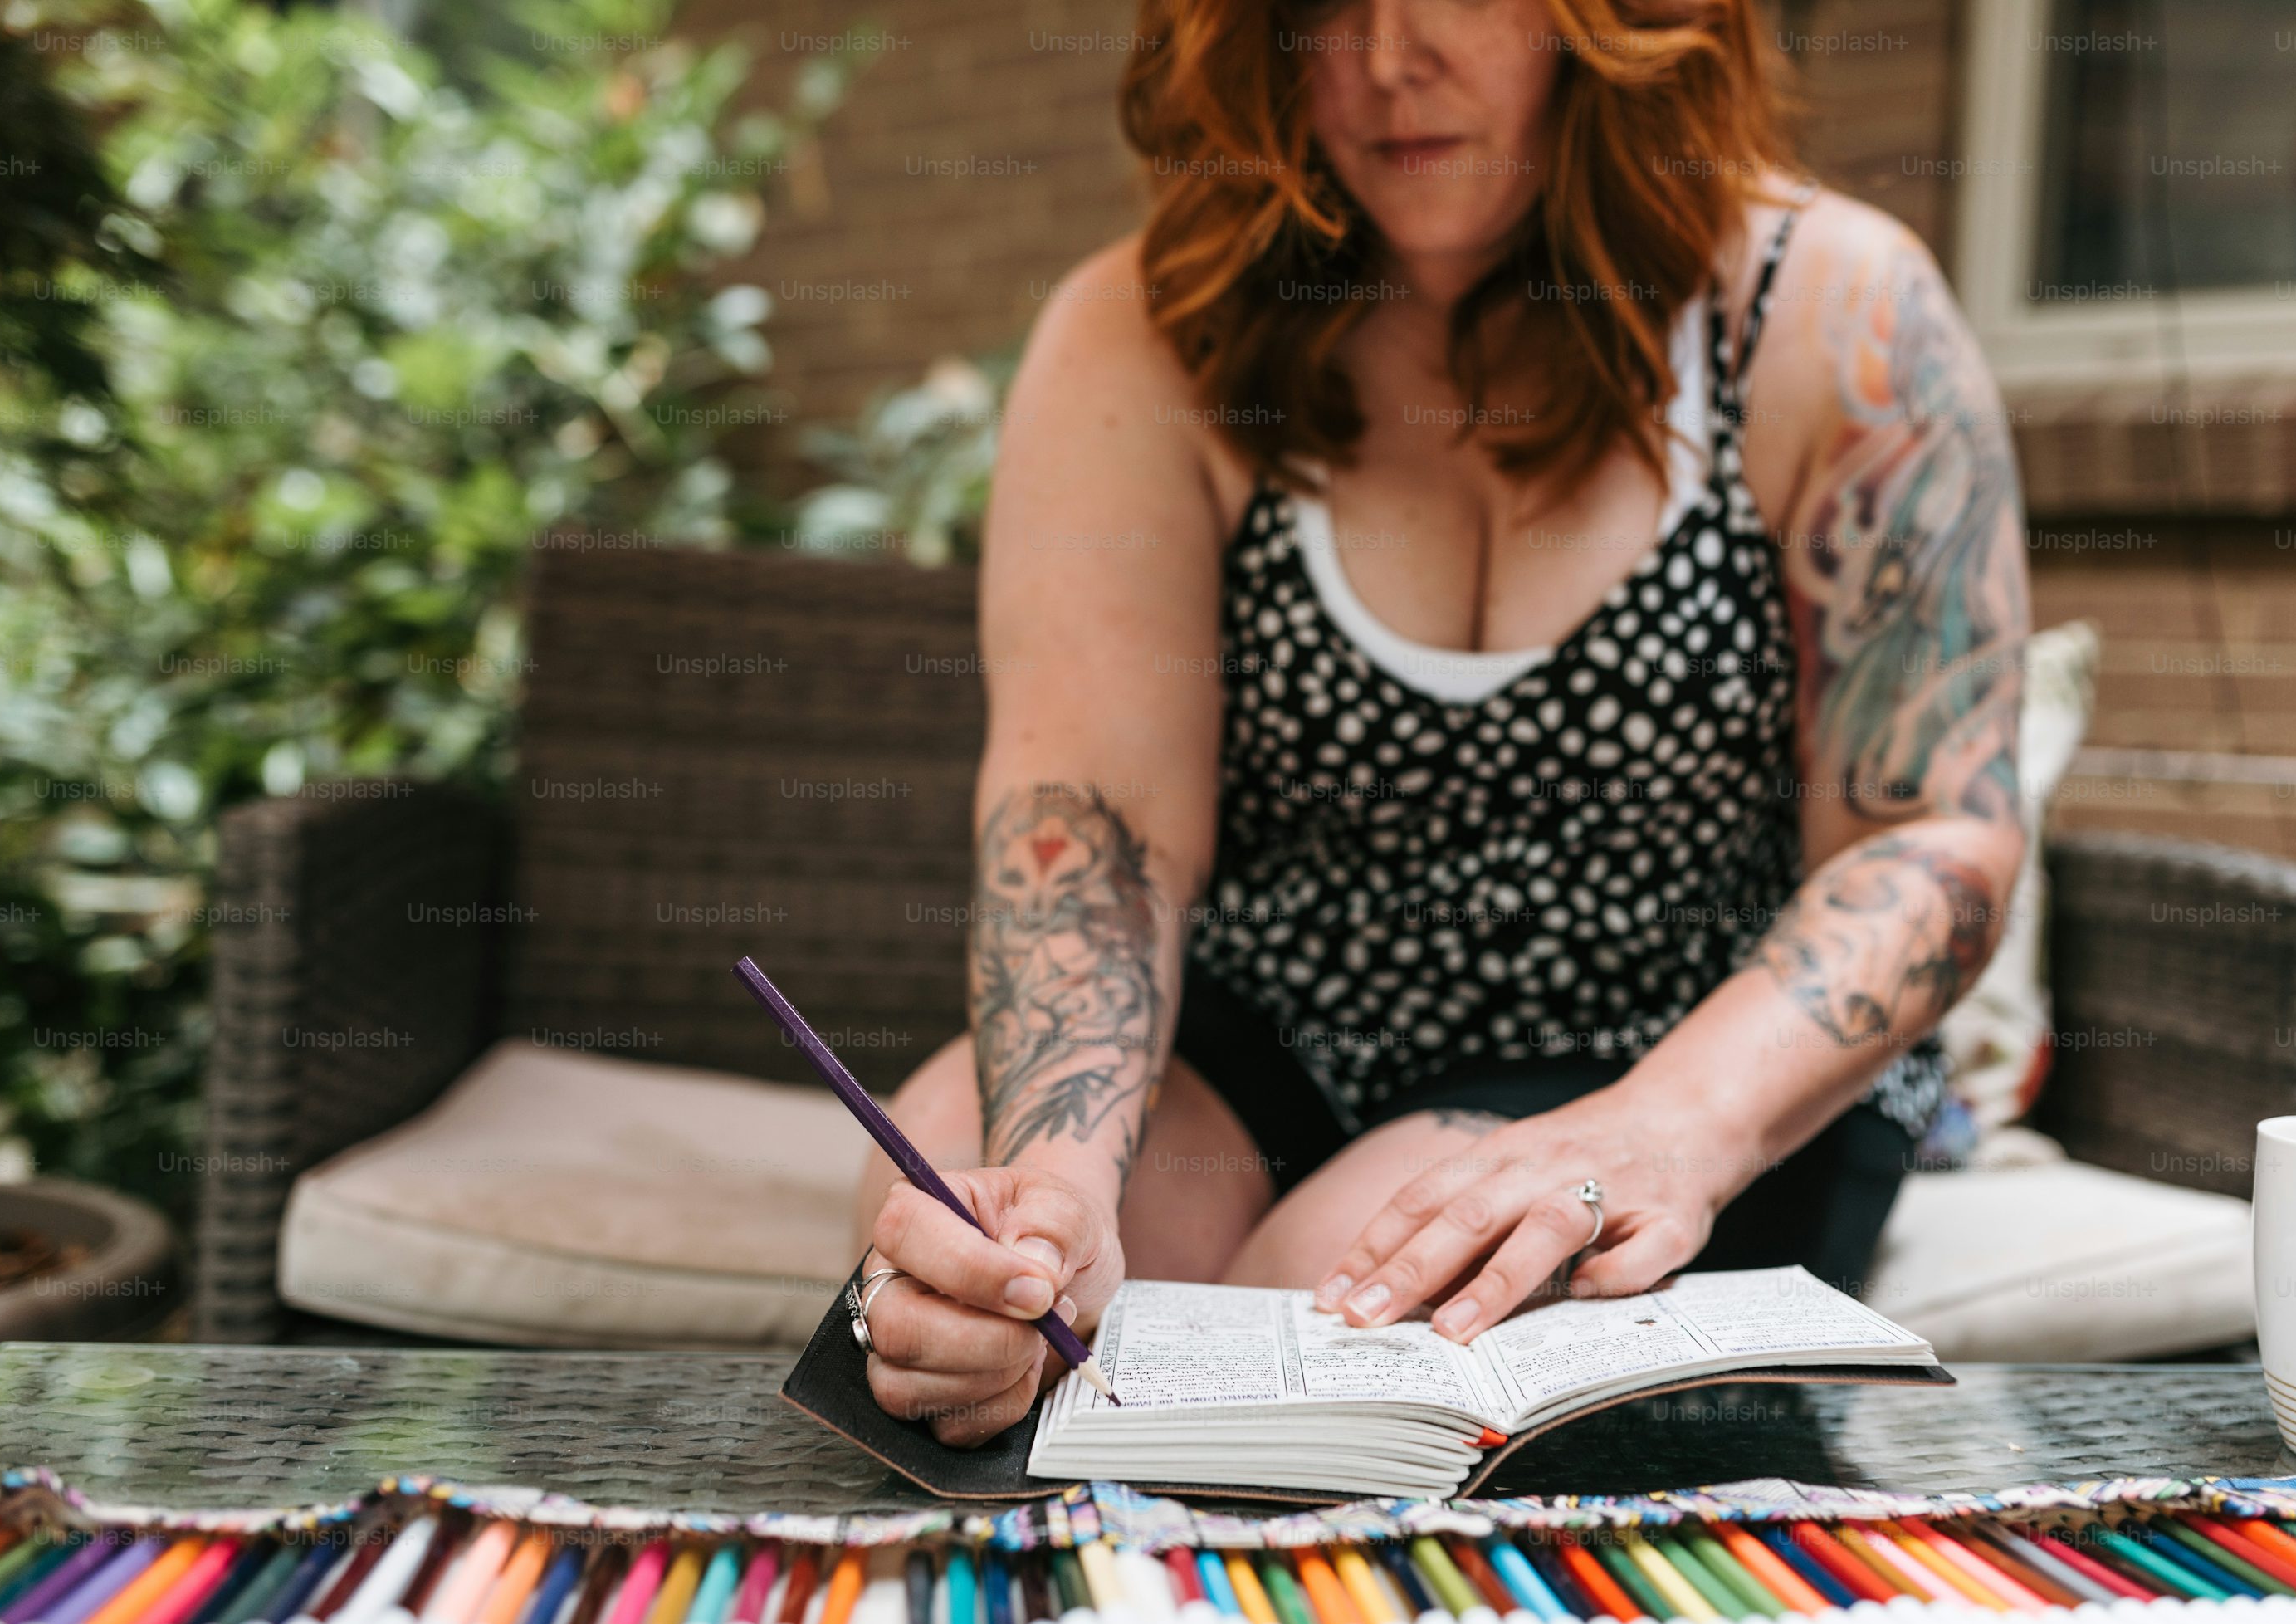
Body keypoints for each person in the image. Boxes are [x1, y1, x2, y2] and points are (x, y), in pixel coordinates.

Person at [844, 0, 2030, 1448]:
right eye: (1318, 6)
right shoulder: (1150, 329)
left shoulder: (1833, 313)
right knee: (968, 1212)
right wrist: (1055, 1192)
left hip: (1674, 1046)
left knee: (1325, 1311)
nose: (1386, 59)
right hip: (1281, 1007)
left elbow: (1934, 825)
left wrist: (1670, 1126)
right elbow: (1093, 827)